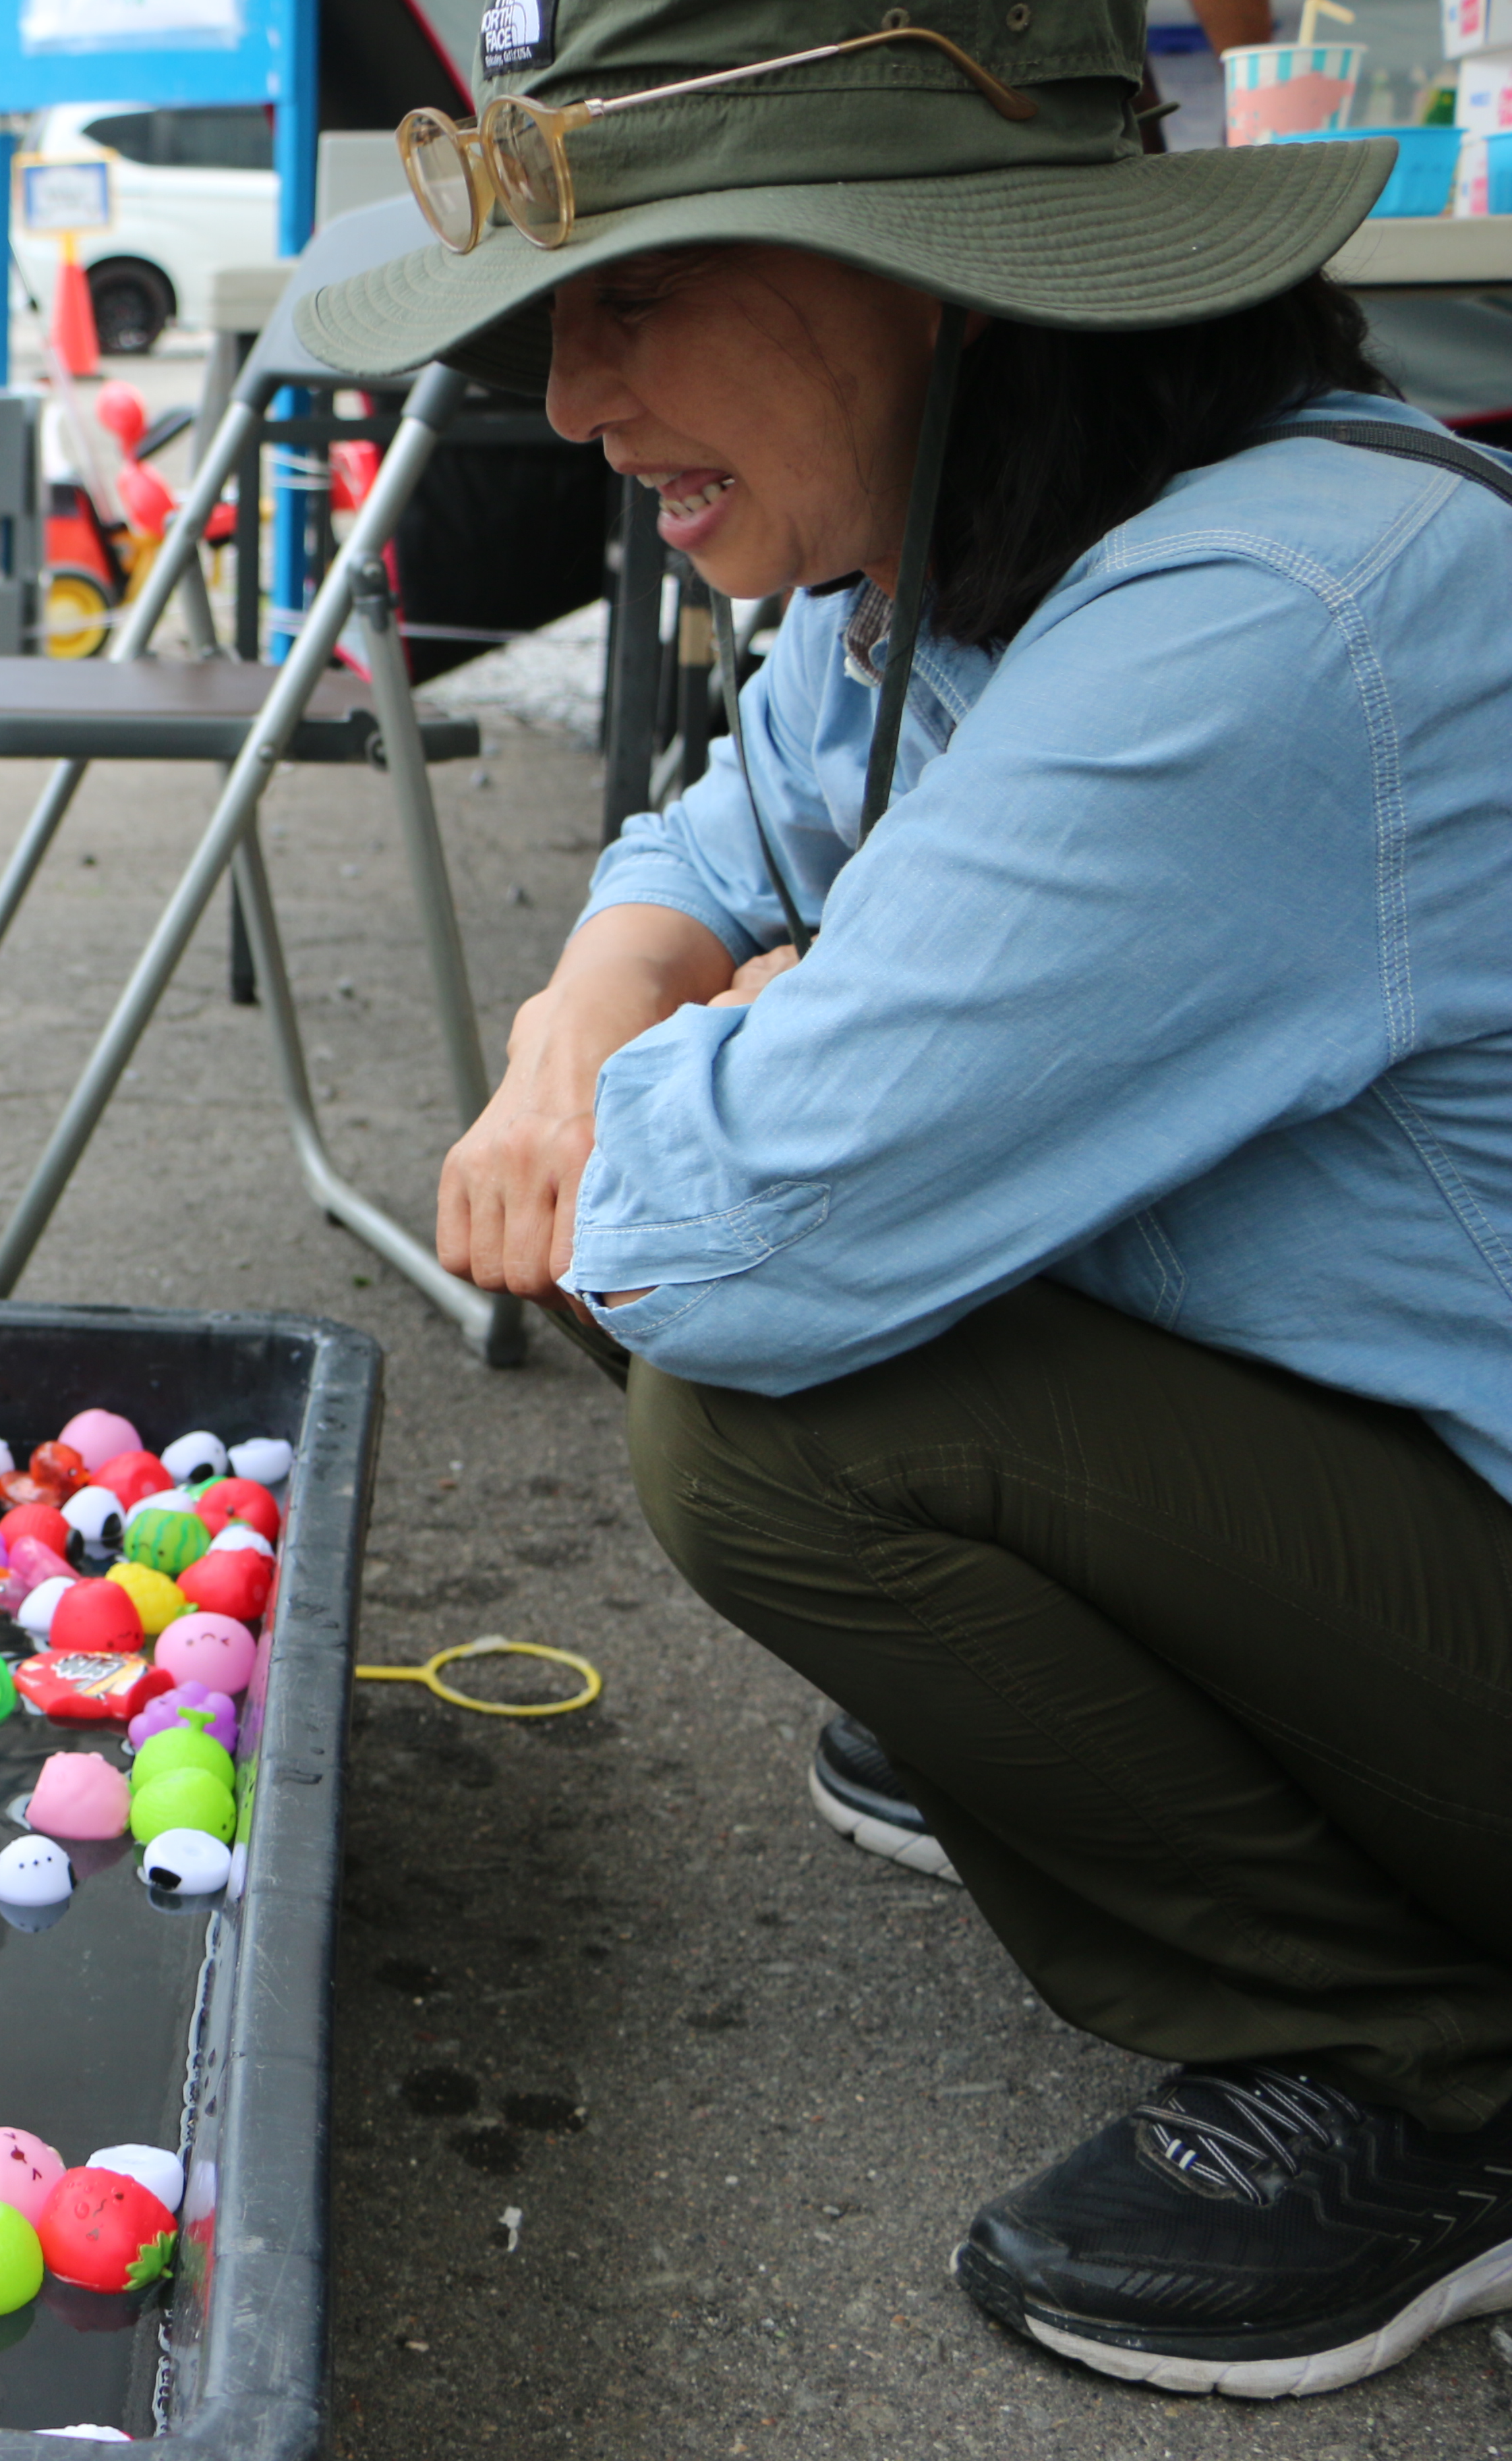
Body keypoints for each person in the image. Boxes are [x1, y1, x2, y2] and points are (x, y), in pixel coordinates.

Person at [303, 0, 1512, 2400]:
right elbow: (707, 843)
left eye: (632, 295)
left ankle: (1433, 2069)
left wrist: (738, 1048)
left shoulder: (1260, 613)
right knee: (833, 1303)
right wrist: (601, 1023)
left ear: (923, 271)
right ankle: (1134, 1736)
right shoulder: (999, 539)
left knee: (766, 1427)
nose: (565, 399)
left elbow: (709, 1242)